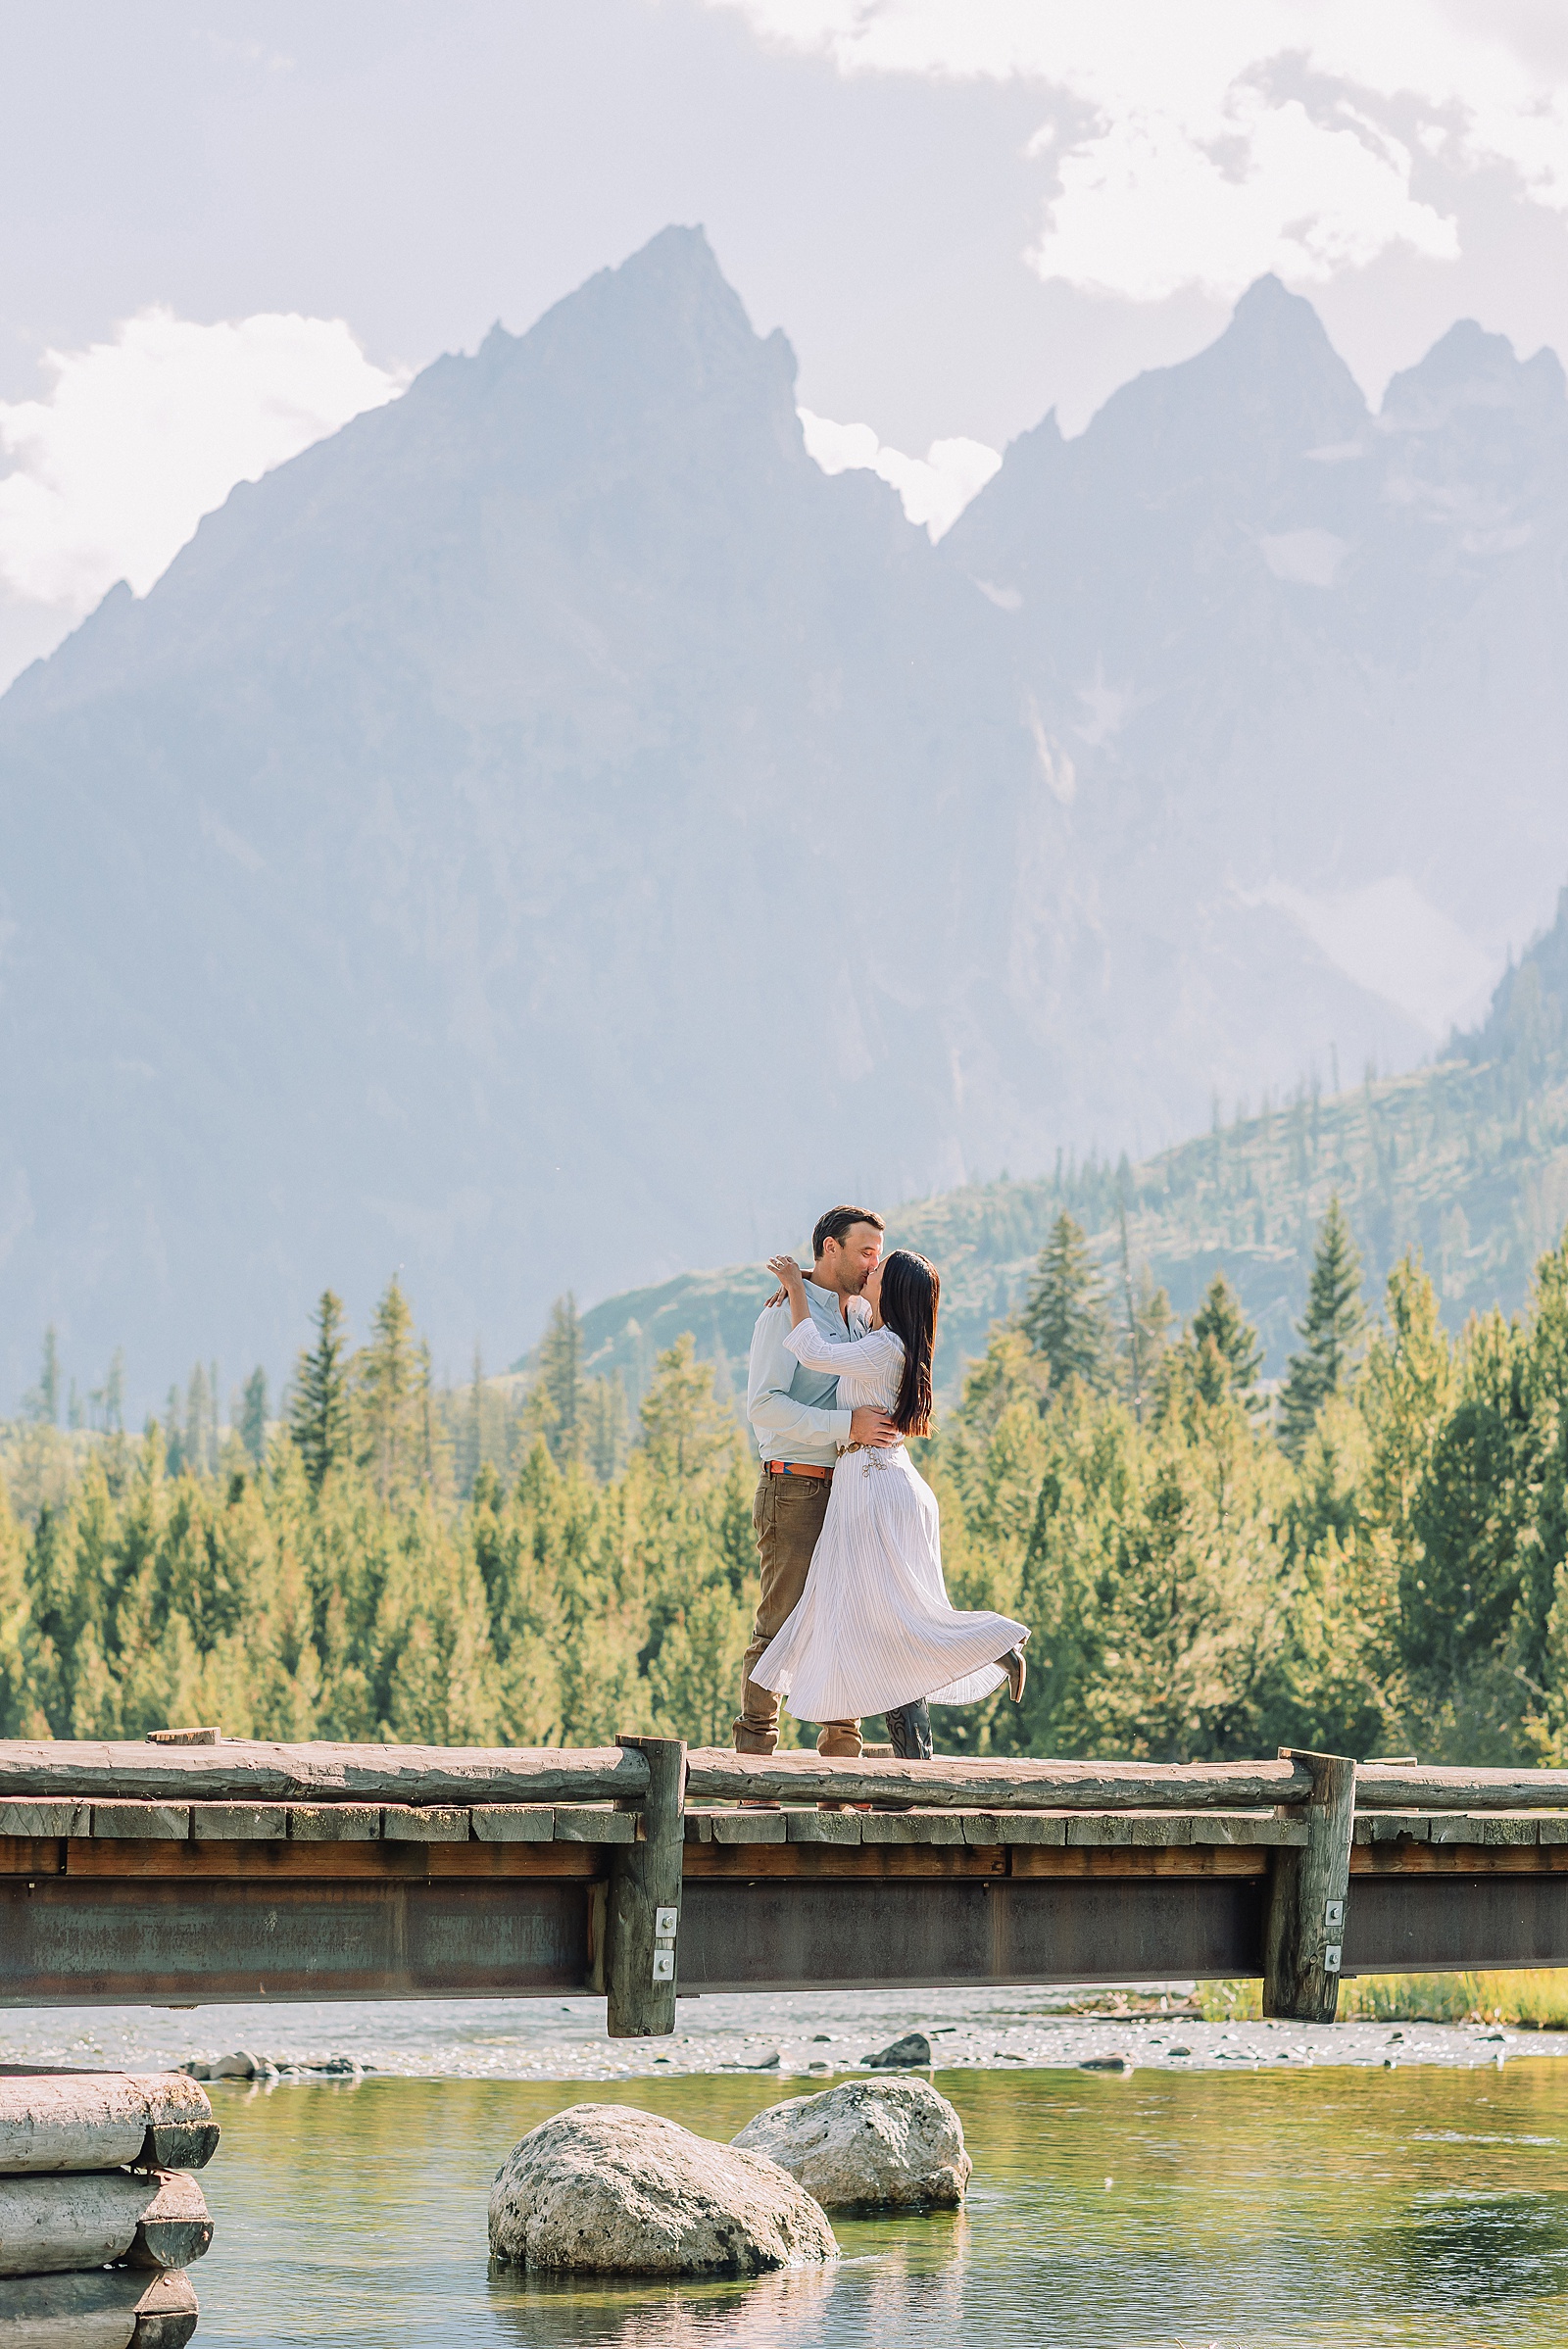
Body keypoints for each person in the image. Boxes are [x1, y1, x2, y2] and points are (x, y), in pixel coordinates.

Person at [750, 1244, 1028, 1755]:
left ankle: (994, 1642)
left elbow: (812, 1351)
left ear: (892, 1289)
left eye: (879, 1266)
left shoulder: (883, 1346)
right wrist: (810, 1278)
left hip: (873, 1487)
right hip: (879, 1481)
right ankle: (908, 1751)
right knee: (874, 1615)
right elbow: (840, 1295)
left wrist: (794, 1288)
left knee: (892, 1615)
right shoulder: (878, 1332)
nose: (869, 1269)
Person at [735, 1205, 897, 1758]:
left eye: (878, 1254)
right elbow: (764, 1406)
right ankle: (754, 1772)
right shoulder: (783, 1315)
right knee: (780, 1625)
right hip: (795, 1489)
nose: (873, 1263)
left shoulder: (862, 1317)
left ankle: (842, 1770)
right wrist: (845, 1426)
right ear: (831, 1248)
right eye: (865, 1251)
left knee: (847, 1626)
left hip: (851, 1490)